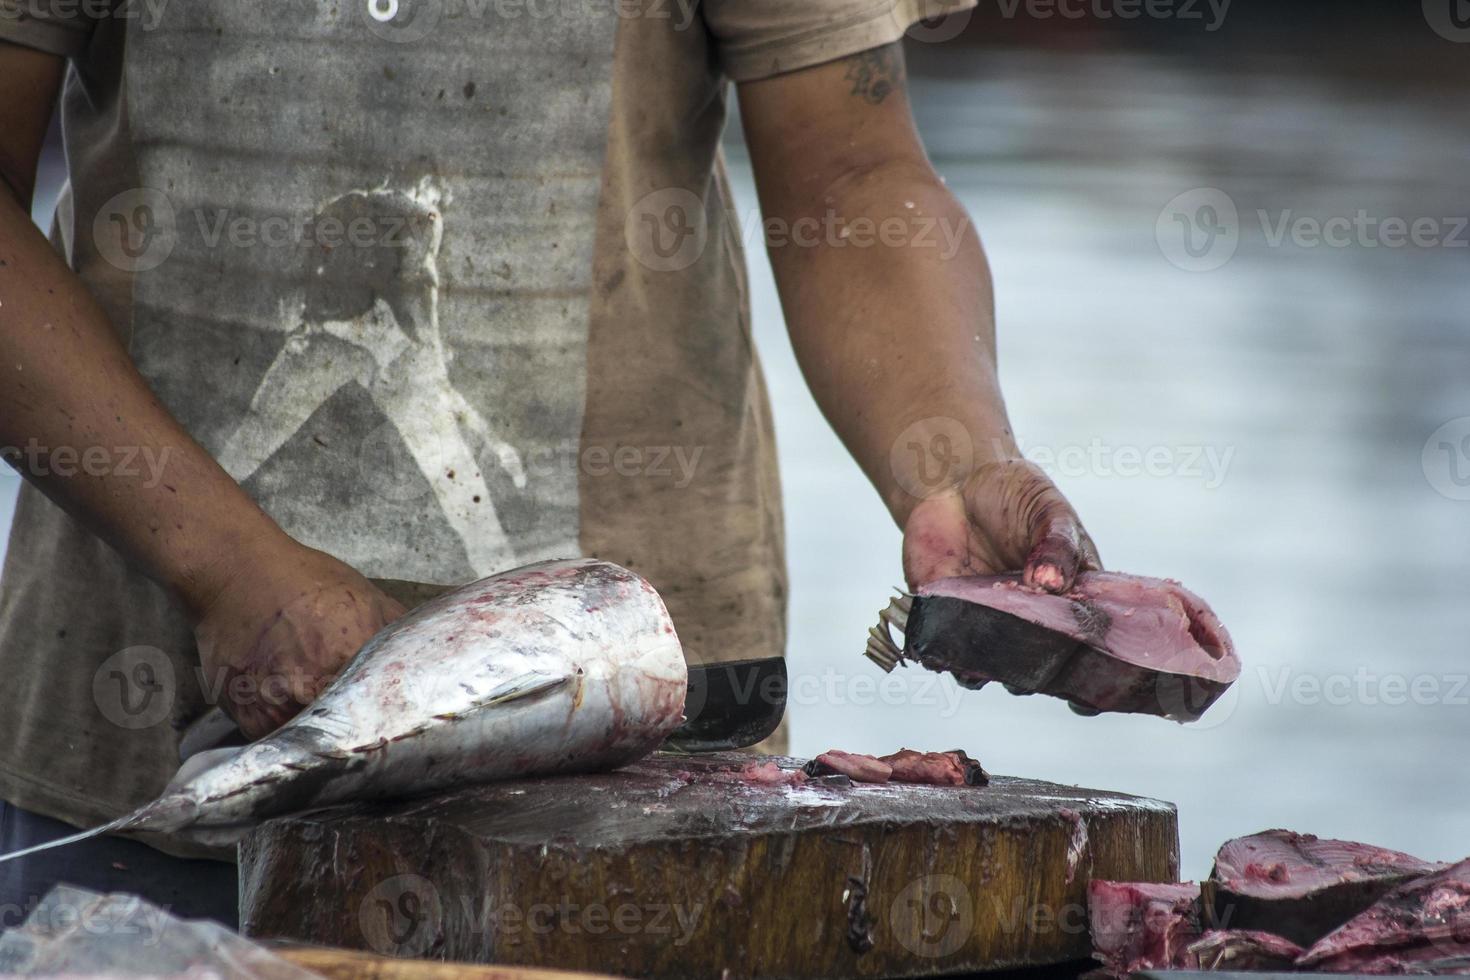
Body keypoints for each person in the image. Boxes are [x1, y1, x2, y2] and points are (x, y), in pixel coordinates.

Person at [0, 0, 1098, 928]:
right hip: (143, 750)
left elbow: (851, 170)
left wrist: (952, 464)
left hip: (656, 785)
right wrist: (227, 572)